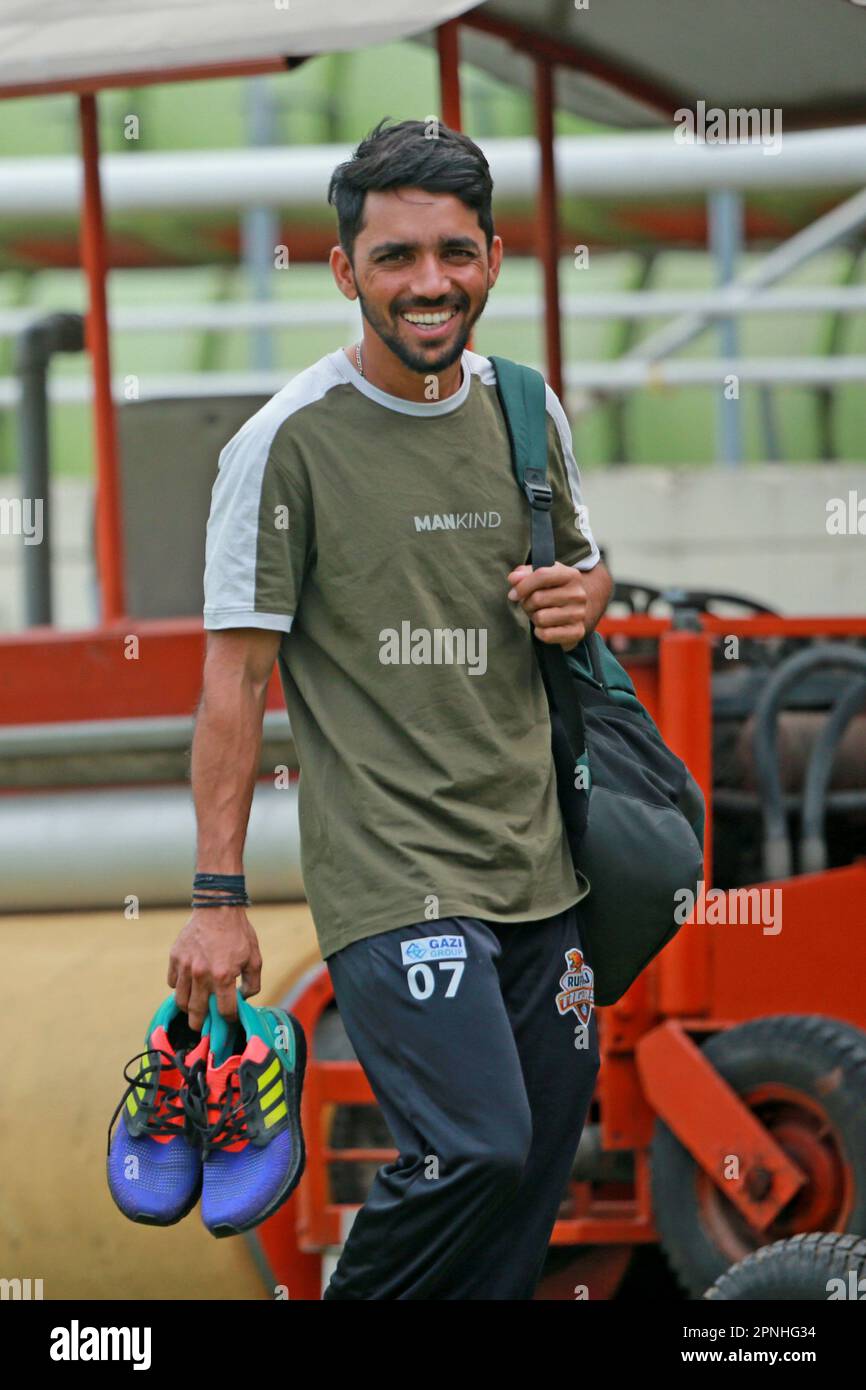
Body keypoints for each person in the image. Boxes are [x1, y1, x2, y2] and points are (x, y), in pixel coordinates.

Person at [169, 117, 613, 1299]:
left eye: (454, 254)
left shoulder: (527, 410)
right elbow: (235, 682)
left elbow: (589, 566)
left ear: (493, 260)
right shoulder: (283, 447)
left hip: (541, 871)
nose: (430, 284)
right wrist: (216, 901)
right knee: (471, 1146)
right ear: (343, 270)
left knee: (527, 1186)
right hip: (392, 874)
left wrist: (581, 595)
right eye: (397, 257)